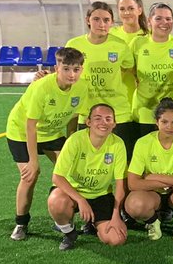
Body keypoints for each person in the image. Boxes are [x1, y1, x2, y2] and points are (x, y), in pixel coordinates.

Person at [4, 46, 87, 240]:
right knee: (30, 176)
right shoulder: (41, 87)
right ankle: (21, 223)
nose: (72, 74)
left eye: (76, 69)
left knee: (68, 170)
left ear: (82, 69)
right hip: (21, 132)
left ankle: (61, 216)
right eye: (66, 68)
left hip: (52, 132)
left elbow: (74, 117)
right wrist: (33, 161)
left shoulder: (82, 87)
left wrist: (70, 144)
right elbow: (30, 125)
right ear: (57, 67)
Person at [48, 103, 129, 250]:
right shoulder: (75, 140)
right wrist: (81, 199)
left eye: (108, 119)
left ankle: (93, 223)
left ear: (114, 124)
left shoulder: (118, 144)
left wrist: (116, 215)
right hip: (74, 192)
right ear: (88, 122)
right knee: (56, 202)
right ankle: (69, 233)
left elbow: (120, 184)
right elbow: (57, 177)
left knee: (117, 239)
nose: (103, 123)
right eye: (98, 118)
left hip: (101, 195)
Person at [65, 1, 139, 157]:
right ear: (88, 20)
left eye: (106, 20)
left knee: (124, 159)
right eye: (96, 19)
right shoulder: (74, 45)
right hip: (87, 112)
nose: (102, 24)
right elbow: (64, 73)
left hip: (119, 112)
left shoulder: (119, 45)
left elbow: (129, 67)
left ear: (112, 22)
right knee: (87, 159)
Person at [123, 98, 173, 242]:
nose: (169, 127)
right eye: (164, 122)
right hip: (152, 194)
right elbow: (133, 184)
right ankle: (153, 222)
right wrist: (165, 183)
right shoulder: (143, 143)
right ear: (156, 122)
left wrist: (154, 177)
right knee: (134, 205)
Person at [131, 2, 173, 135]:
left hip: (172, 113)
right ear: (149, 21)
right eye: (158, 18)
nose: (164, 22)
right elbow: (129, 69)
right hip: (144, 111)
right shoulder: (138, 43)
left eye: (168, 19)